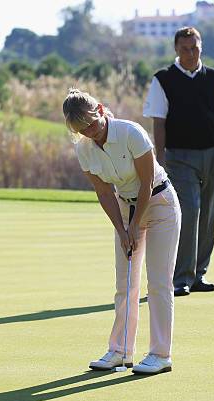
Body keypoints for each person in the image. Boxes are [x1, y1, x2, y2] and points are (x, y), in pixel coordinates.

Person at [63, 88, 181, 375]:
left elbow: (146, 183)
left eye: (91, 123)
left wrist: (133, 226)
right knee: (125, 284)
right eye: (82, 129)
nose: (90, 132)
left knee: (158, 283)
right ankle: (120, 351)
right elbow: (103, 191)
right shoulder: (84, 148)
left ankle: (160, 354)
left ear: (100, 110)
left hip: (160, 204)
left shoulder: (131, 133)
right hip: (125, 207)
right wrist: (121, 228)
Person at [143, 27, 214, 297]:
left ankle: (198, 275)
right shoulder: (163, 79)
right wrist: (159, 160)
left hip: (212, 153)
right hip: (179, 157)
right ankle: (181, 277)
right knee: (190, 210)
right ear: (176, 50)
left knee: (207, 215)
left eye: (195, 48)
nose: (190, 53)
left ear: (201, 47)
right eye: (185, 49)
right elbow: (158, 123)